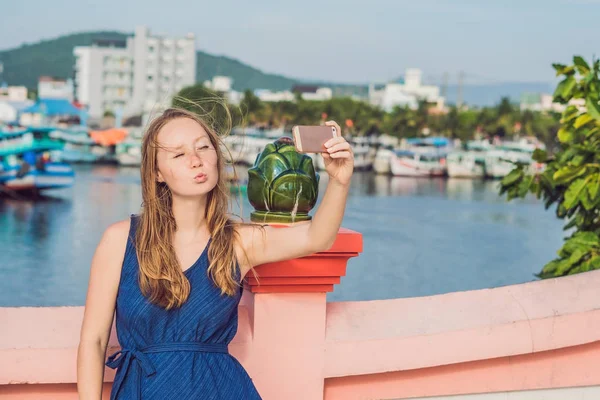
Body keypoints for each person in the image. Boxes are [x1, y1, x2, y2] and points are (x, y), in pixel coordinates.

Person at [76, 107, 354, 399]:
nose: (196, 160)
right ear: (156, 172)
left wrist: (339, 180)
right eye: (178, 154)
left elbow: (317, 237)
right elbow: (93, 340)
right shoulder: (120, 240)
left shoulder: (237, 241)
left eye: (203, 147)